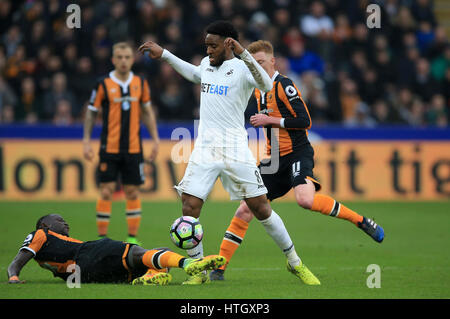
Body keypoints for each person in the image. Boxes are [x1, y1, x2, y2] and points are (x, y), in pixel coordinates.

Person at [138, 21, 320, 286]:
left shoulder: (243, 69)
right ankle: (198, 272)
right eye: (207, 45)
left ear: (228, 44)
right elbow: (192, 73)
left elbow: (266, 85)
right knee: (190, 206)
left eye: (213, 45)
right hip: (205, 147)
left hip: (235, 148)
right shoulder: (207, 64)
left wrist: (244, 53)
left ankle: (295, 263)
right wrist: (164, 54)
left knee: (261, 207)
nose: (209, 50)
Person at [210, 40, 385, 281]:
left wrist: (270, 121)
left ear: (273, 62)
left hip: (297, 153)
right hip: (273, 161)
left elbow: (305, 121)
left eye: (260, 62)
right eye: (253, 63)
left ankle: (361, 221)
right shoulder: (258, 89)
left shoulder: (285, 85)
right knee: (244, 209)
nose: (256, 67)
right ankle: (219, 268)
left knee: (305, 199)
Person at [83, 42, 160, 245]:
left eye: (127, 57)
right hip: (109, 147)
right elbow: (91, 114)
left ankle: (132, 238)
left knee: (133, 192)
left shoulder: (141, 83)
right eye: (119, 57)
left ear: (132, 60)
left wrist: (155, 139)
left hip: (134, 148)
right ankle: (102, 239)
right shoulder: (102, 84)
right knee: (106, 190)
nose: (123, 61)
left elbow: (147, 112)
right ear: (113, 60)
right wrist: (86, 141)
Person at [7, 214, 226, 285]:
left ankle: (148, 278)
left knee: (152, 254)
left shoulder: (53, 248)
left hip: (84, 276)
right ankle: (189, 264)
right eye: (60, 221)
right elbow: (16, 261)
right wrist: (14, 276)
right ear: (45, 226)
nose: (66, 224)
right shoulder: (40, 234)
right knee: (137, 252)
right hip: (86, 253)